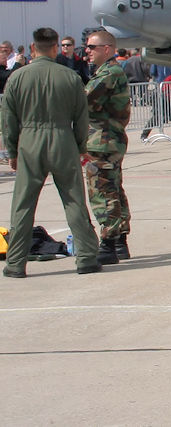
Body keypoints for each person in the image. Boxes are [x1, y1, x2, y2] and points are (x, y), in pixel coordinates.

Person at [1, 27, 102, 277]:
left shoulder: (17, 77)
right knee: (73, 200)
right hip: (62, 138)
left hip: (30, 140)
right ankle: (87, 257)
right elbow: (81, 119)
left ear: (33, 48)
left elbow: (8, 119)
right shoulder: (70, 77)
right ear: (56, 47)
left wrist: (12, 151)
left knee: (23, 204)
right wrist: (80, 147)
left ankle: (15, 263)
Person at [82, 30, 132, 263]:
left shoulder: (109, 73)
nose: (88, 51)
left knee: (102, 190)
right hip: (109, 139)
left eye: (92, 47)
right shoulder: (110, 71)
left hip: (103, 141)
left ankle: (109, 242)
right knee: (113, 188)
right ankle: (120, 240)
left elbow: (83, 99)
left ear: (107, 49)